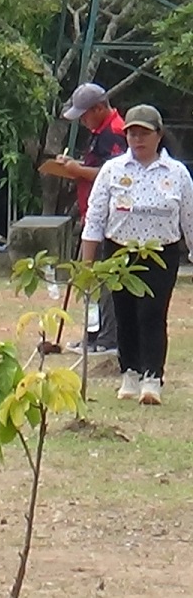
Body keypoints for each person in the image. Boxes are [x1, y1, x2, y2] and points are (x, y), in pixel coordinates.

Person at [81, 105, 193, 407]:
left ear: (158, 135)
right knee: (125, 313)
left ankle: (152, 377)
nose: (137, 139)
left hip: (160, 252)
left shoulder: (177, 173)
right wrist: (86, 265)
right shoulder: (112, 170)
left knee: (152, 313)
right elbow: (95, 218)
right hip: (120, 250)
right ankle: (129, 372)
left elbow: (189, 219)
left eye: (144, 133)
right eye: (132, 132)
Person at [52, 82, 126, 355]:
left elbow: (115, 176)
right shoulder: (99, 132)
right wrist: (73, 168)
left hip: (109, 218)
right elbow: (96, 169)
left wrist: (78, 170)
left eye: (84, 114)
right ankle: (93, 334)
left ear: (99, 108)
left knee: (104, 277)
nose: (82, 120)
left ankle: (108, 338)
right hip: (91, 213)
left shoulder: (116, 132)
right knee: (89, 277)